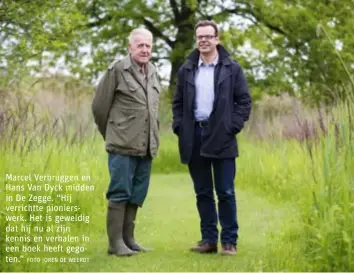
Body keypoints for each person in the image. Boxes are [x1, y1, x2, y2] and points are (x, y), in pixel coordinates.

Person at [172, 20, 251, 256]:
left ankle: (229, 241)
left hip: (223, 136)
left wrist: (232, 126)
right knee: (203, 191)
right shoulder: (186, 69)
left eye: (208, 36)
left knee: (225, 191)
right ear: (196, 40)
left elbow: (244, 102)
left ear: (217, 39)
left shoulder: (232, 69)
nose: (203, 40)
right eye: (199, 37)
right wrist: (179, 127)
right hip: (194, 135)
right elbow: (177, 103)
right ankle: (208, 240)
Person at [92, 28, 160, 257]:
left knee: (137, 193)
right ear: (130, 46)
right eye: (140, 45)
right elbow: (99, 108)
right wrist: (113, 134)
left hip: (146, 146)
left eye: (148, 45)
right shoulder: (117, 70)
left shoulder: (152, 71)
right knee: (120, 191)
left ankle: (129, 239)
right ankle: (115, 243)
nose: (145, 49)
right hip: (122, 145)